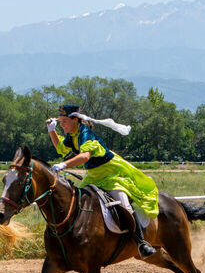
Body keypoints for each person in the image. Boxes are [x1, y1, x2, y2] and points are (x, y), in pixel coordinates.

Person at [47, 104, 158, 259]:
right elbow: (60, 148)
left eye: (64, 121)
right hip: (93, 174)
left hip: (111, 173)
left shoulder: (85, 133)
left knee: (123, 203)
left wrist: (64, 164)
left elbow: (85, 156)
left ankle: (141, 242)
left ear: (75, 120)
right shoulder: (72, 136)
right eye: (60, 122)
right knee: (79, 203)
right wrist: (51, 130)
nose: (62, 124)